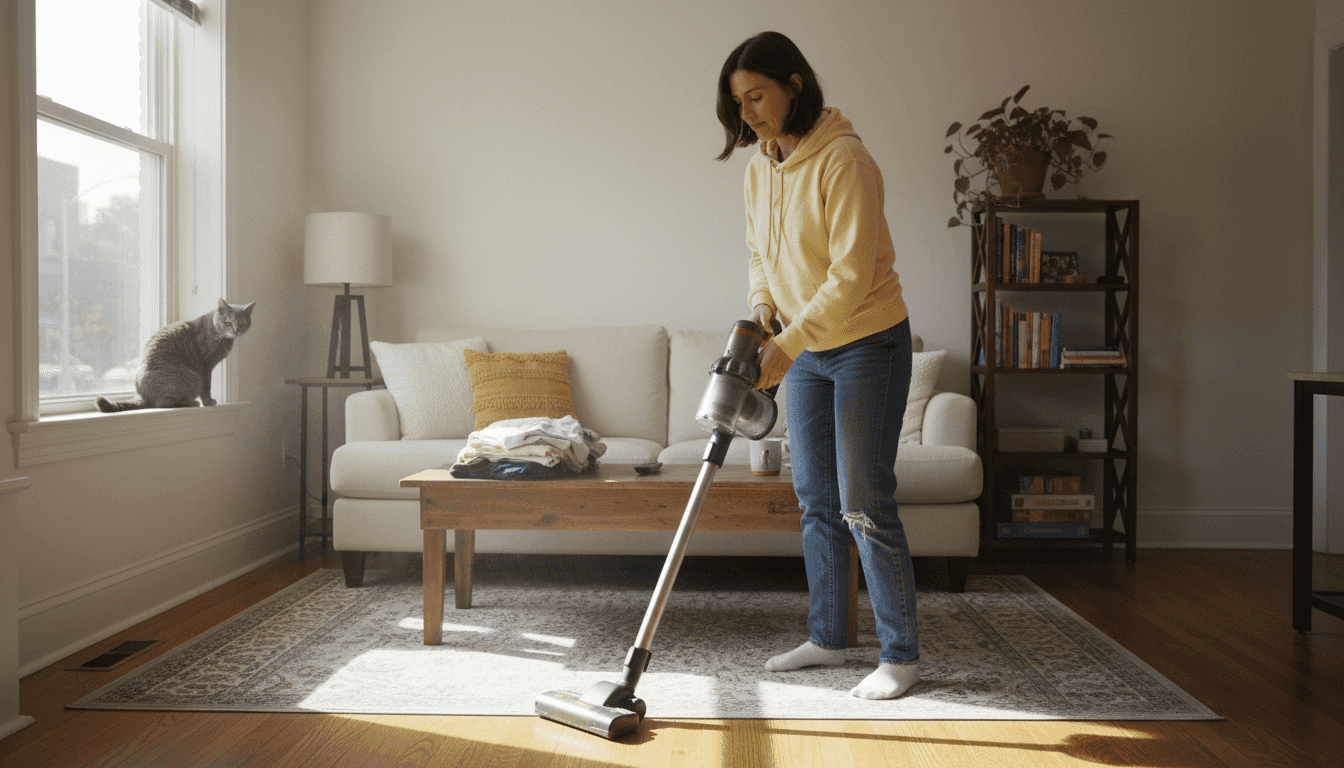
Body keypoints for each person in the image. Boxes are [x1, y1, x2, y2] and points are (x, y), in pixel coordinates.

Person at [716, 31, 919, 700]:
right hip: (804, 347)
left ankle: (899, 657)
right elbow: (760, 253)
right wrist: (762, 311)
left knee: (864, 501)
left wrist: (787, 345)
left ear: (794, 85)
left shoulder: (845, 160)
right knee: (817, 501)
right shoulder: (759, 169)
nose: (747, 113)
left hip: (867, 343)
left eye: (757, 96)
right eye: (738, 103)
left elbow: (851, 277)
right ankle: (830, 638)